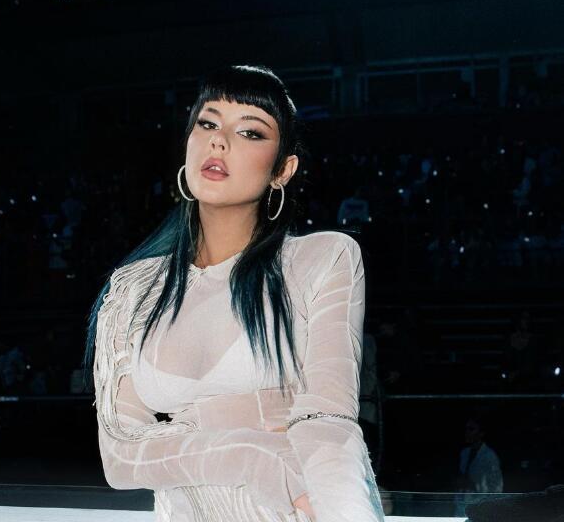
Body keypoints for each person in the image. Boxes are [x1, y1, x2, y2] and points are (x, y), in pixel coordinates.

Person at [83, 65, 385, 521]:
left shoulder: (322, 259)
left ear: (283, 169)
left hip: (298, 508)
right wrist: (256, 458)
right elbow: (121, 457)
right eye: (207, 124)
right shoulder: (134, 289)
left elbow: (328, 423)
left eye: (250, 132)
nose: (219, 142)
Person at [454, 416, 504, 517]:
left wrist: (474, 486)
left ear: (481, 433)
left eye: (471, 429)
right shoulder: (464, 453)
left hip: (480, 509)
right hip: (461, 507)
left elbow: (497, 488)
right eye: (466, 429)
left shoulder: (489, 456)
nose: (467, 432)